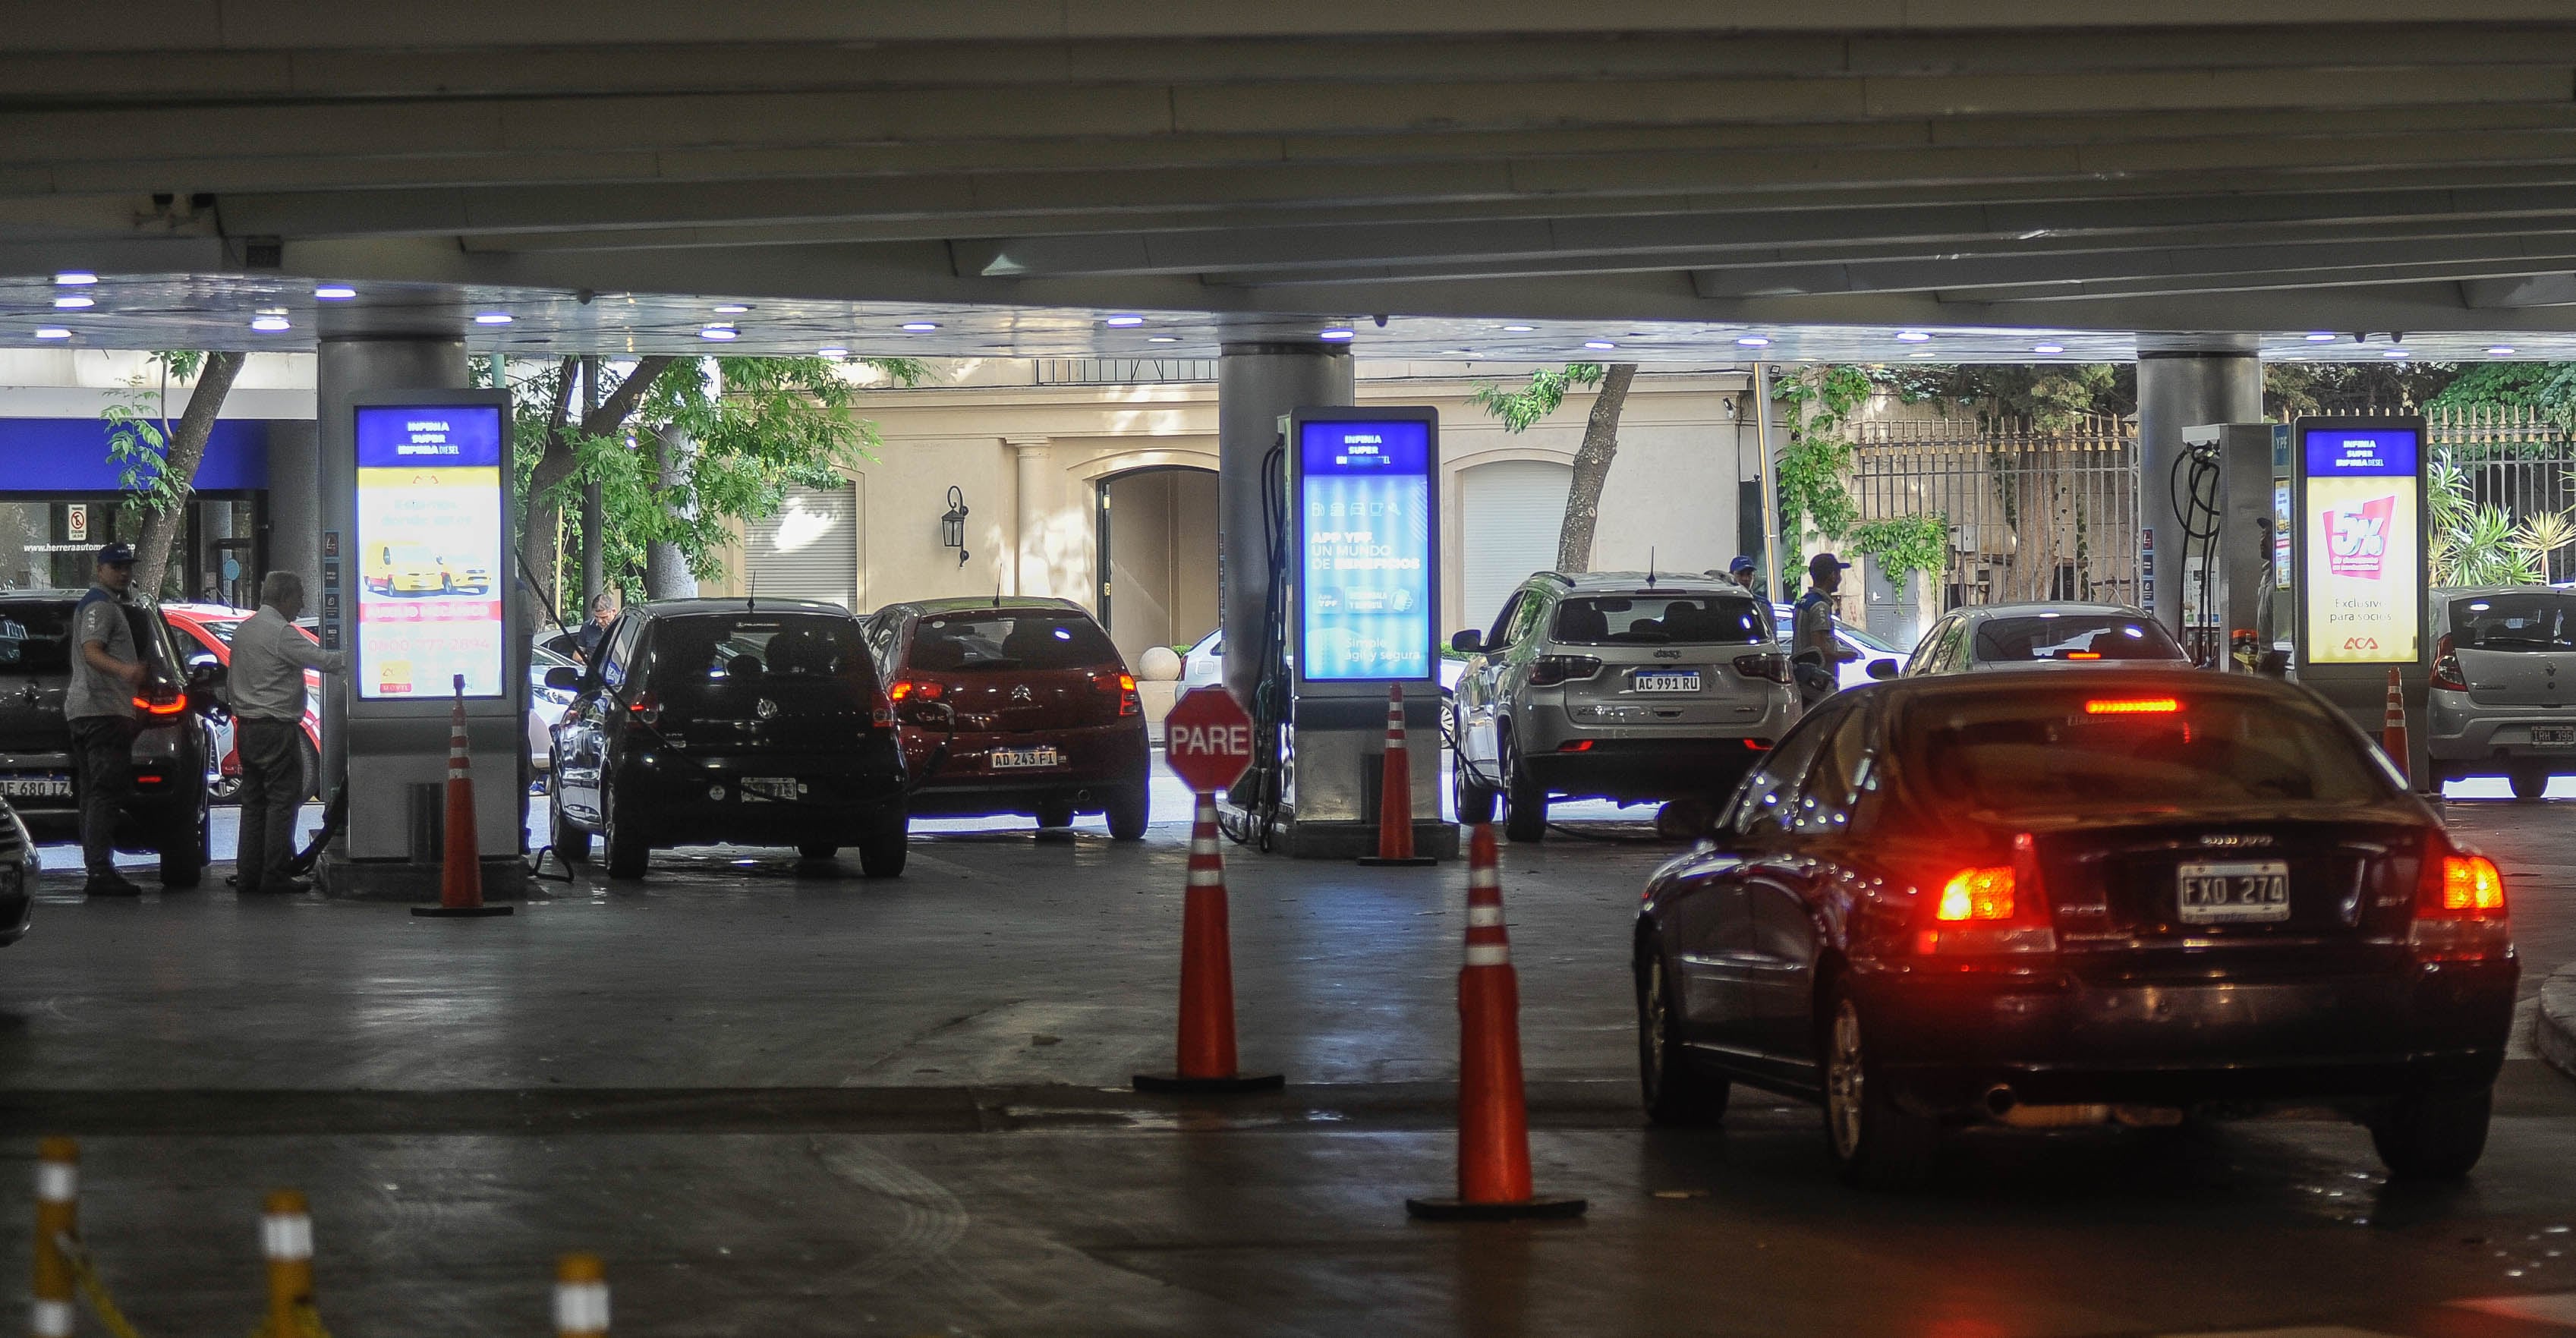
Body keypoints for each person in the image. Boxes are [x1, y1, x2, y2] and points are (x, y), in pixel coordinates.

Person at [228, 571, 346, 894]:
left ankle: (249, 874)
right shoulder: (282, 633)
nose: (302, 604)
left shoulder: (244, 631)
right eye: (299, 598)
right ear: (284, 598)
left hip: (248, 728)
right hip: (276, 729)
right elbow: (325, 660)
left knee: (254, 802)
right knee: (282, 800)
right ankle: (275, 874)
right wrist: (363, 657)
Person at [66, 543, 147, 896]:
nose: (124, 572)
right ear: (100, 570)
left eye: (127, 566)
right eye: (116, 566)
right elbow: (91, 651)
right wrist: (127, 670)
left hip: (90, 712)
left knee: (93, 794)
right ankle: (99, 871)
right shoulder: (100, 605)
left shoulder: (105, 604)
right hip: (101, 712)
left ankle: (97, 867)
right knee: (103, 792)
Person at [1791, 552, 1850, 707]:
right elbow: (1821, 650)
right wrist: (1847, 655)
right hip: (1818, 683)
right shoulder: (1820, 606)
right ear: (1832, 575)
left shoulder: (1803, 602)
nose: (1840, 579)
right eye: (1838, 574)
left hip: (1803, 680)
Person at [575, 593, 616, 662]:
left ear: (613, 612)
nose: (599, 621)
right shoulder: (587, 627)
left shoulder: (622, 626)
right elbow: (577, 655)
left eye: (604, 617)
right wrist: (583, 660)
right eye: (596, 617)